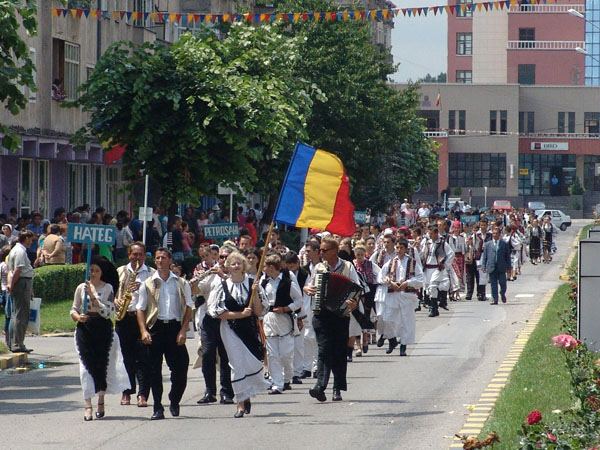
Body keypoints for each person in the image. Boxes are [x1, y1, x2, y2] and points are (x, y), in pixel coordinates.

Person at [208, 252, 268, 417]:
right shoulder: (222, 285)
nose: (236, 266)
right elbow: (216, 312)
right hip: (230, 327)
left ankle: (246, 394)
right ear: (227, 266)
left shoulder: (252, 283)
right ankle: (240, 403)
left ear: (243, 265)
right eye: (232, 264)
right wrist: (240, 314)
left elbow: (258, 311)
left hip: (249, 328)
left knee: (251, 361)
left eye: (238, 263)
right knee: (236, 363)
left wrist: (254, 294)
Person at [70, 256, 129, 421]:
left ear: (102, 272)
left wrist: (94, 297)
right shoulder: (81, 287)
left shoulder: (108, 288)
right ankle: (87, 405)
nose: (93, 274)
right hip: (85, 330)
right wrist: (77, 317)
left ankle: (101, 400)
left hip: (102, 330)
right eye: (91, 270)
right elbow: (73, 308)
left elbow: (107, 312)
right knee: (85, 368)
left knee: (102, 365)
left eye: (96, 271)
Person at [136, 248, 193, 420]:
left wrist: (183, 330)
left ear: (170, 260)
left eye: (163, 258)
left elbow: (189, 307)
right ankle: (157, 407)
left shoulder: (181, 283)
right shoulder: (147, 283)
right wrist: (144, 331)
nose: (160, 260)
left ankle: (174, 399)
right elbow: (140, 309)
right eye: (157, 258)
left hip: (175, 328)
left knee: (181, 367)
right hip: (156, 327)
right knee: (154, 370)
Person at [303, 237, 361, 403]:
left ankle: (337, 387)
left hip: (341, 314)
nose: (321, 253)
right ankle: (320, 386)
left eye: (324, 250)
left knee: (339, 352)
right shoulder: (319, 268)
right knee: (323, 349)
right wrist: (308, 289)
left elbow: (356, 288)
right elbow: (308, 285)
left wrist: (353, 301)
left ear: (334, 251)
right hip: (321, 313)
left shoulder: (348, 266)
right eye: (320, 250)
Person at [194, 245, 236, 405]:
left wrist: (224, 276)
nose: (223, 260)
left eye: (227, 257)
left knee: (226, 357)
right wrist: (197, 280)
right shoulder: (212, 274)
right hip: (209, 319)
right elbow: (196, 291)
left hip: (227, 319)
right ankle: (210, 392)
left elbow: (236, 292)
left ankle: (226, 392)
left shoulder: (237, 275)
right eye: (221, 257)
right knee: (207, 355)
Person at [115, 243, 155, 407]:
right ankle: (126, 392)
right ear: (129, 255)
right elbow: (113, 291)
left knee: (143, 358)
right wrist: (116, 300)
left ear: (145, 256)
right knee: (125, 358)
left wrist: (143, 287)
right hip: (124, 318)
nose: (137, 258)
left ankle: (143, 394)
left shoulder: (152, 274)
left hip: (144, 319)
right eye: (134, 254)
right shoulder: (120, 271)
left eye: (140, 255)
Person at [259, 253, 304, 394]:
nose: (264, 269)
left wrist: (285, 308)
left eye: (265, 266)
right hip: (269, 318)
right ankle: (277, 383)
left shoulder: (287, 282)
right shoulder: (263, 282)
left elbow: (299, 300)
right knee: (273, 353)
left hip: (284, 319)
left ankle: (287, 377)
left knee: (285, 353)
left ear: (272, 267)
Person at [377, 239, 424, 356]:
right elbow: (381, 276)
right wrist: (388, 281)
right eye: (397, 248)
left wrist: (408, 283)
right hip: (393, 294)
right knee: (387, 318)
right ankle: (392, 340)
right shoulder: (391, 262)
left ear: (405, 249)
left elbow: (421, 279)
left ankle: (403, 345)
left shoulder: (412, 262)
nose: (398, 250)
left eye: (401, 248)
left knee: (406, 321)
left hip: (406, 295)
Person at [6, 231, 35, 353]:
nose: (32, 242)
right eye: (31, 239)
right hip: (22, 283)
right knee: (21, 315)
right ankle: (18, 343)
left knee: (17, 314)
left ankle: (15, 342)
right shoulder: (20, 251)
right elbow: (17, 270)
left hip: (24, 282)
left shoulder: (16, 250)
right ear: (26, 238)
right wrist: (12, 286)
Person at [421, 225, 454, 317]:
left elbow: (451, 254)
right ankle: (433, 306)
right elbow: (423, 254)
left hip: (437, 268)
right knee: (428, 289)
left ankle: (433, 307)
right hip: (428, 268)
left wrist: (445, 265)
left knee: (432, 286)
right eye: (429, 233)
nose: (430, 235)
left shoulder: (442, 243)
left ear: (436, 233)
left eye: (431, 233)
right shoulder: (427, 243)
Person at [481, 227, 511, 305]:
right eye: (494, 233)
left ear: (499, 234)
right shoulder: (488, 244)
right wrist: (483, 266)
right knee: (493, 285)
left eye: (497, 233)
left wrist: (509, 268)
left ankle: (502, 293)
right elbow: (485, 256)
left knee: (503, 283)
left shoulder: (503, 244)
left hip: (501, 267)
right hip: (491, 267)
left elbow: (507, 256)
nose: (495, 235)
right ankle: (495, 299)